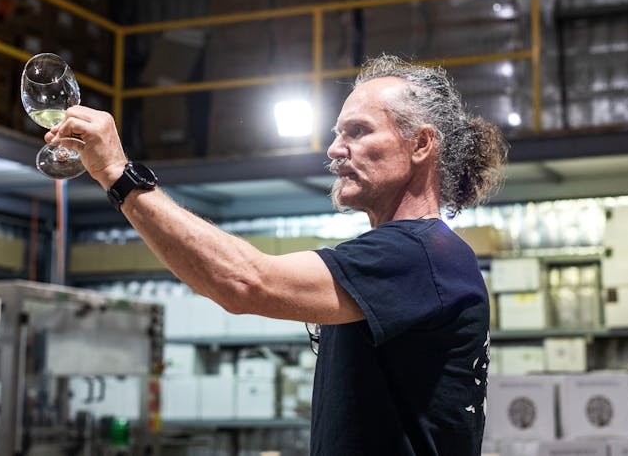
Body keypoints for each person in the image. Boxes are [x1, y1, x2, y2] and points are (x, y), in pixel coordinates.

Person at [48, 54, 508, 455]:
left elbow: (245, 282)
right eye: (337, 132)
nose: (334, 149)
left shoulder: (418, 255)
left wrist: (118, 174)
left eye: (358, 131)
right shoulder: (421, 256)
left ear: (422, 144)